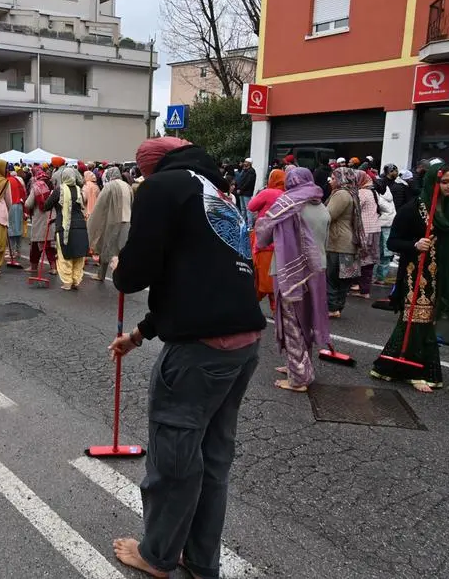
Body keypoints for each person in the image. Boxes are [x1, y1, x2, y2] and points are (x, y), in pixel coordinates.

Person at [109, 137, 264, 579]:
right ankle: (199, 560)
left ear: (150, 170)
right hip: (244, 339)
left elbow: (134, 274)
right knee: (213, 460)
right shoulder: (216, 192)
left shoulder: (162, 189)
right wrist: (139, 335)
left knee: (175, 458)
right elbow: (197, 280)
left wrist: (121, 266)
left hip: (200, 351)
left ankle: (157, 554)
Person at [371, 161, 449, 393]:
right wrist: (415, 244)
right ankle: (414, 371)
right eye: (443, 182)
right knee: (418, 318)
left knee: (428, 319)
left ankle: (390, 364)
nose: (448, 186)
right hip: (417, 273)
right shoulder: (413, 208)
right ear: (432, 182)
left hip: (444, 272)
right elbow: (393, 241)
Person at [256, 167, 331, 391]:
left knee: (292, 320)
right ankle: (298, 364)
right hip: (317, 269)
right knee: (305, 319)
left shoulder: (287, 204)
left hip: (291, 270)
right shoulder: (320, 203)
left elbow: (264, 234)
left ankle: (298, 377)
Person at [325, 167, 364, 318]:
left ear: (342, 179)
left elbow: (328, 215)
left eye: (333, 178)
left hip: (338, 242)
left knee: (332, 278)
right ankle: (337, 307)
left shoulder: (341, 194)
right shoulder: (352, 193)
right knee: (343, 281)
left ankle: (332, 308)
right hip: (349, 243)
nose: (330, 181)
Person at [45, 167, 89, 290]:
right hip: (80, 226)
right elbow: (79, 207)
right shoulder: (79, 190)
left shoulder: (59, 190)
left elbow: (46, 206)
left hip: (64, 226)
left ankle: (67, 282)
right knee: (78, 254)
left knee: (65, 254)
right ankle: (76, 280)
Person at [248, 169, 285, 309]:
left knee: (259, 276)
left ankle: (248, 306)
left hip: (264, 240)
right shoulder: (288, 195)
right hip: (281, 241)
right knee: (275, 277)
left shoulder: (267, 192)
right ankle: (276, 309)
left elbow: (251, 207)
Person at [87, 166, 132, 282]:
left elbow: (100, 206)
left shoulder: (110, 186)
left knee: (105, 247)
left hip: (113, 221)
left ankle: (101, 275)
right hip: (127, 221)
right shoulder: (128, 186)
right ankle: (124, 276)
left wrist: (92, 222)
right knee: (123, 251)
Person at [352, 170, 381, 299]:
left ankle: (363, 290)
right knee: (369, 261)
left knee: (362, 260)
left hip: (365, 229)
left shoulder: (361, 193)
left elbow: (354, 209)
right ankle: (363, 288)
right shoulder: (372, 192)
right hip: (375, 228)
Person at [25, 168, 58, 276]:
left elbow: (29, 204)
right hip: (51, 218)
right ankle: (54, 268)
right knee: (49, 246)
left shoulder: (36, 187)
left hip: (39, 220)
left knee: (35, 246)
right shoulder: (54, 188)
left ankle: (33, 266)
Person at [373, 165, 398, 284]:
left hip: (380, 224)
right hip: (389, 223)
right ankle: (381, 278)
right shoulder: (389, 193)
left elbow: (378, 208)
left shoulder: (376, 195)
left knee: (376, 251)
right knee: (386, 253)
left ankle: (376, 277)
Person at [7, 170, 27, 261]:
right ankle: (18, 251)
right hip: (19, 205)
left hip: (11, 206)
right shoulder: (17, 180)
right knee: (18, 229)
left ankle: (12, 251)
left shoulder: (7, 181)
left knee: (11, 229)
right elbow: (24, 193)